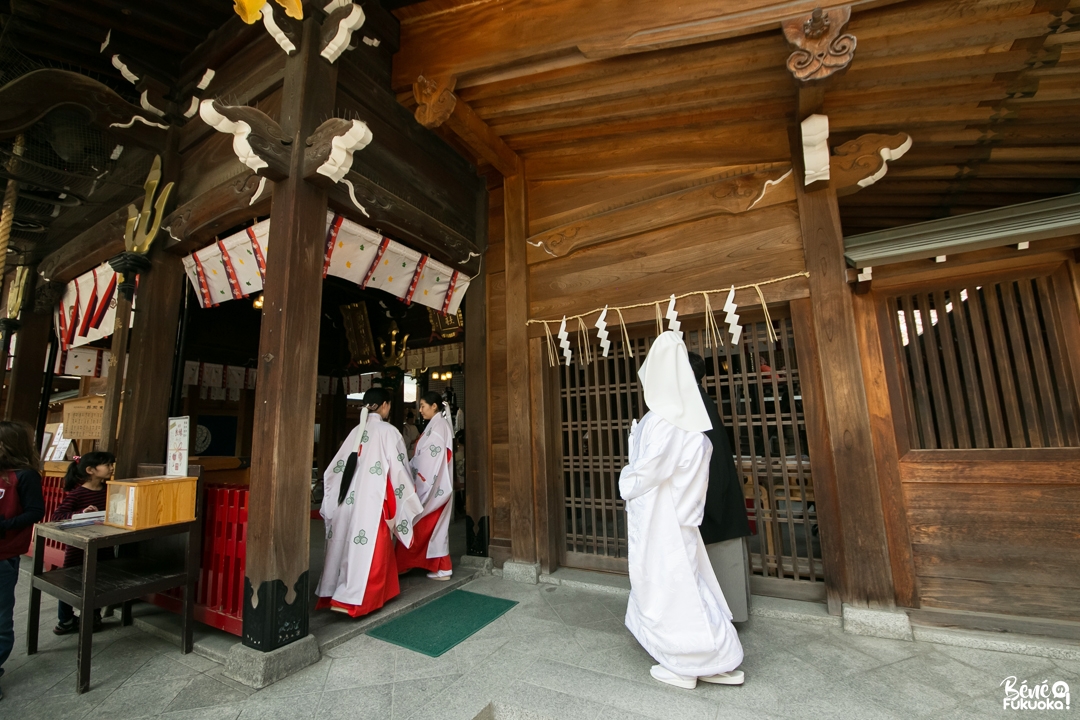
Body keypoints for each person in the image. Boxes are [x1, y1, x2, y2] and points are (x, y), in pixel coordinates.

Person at [619, 332, 744, 690]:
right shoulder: (691, 416)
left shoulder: (662, 421)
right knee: (690, 584)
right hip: (683, 518)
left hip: (661, 521)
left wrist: (627, 472)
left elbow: (644, 475)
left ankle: (685, 661)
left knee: (668, 590)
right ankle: (715, 657)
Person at [317, 388, 423, 617]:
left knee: (345, 545)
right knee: (372, 551)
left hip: (348, 499)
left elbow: (334, 470)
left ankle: (337, 592)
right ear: (384, 405)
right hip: (373, 503)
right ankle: (355, 599)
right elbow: (400, 470)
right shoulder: (389, 432)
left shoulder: (356, 431)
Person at [687, 352, 753, 623]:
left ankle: (723, 618)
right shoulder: (696, 400)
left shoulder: (694, 404)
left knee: (720, 558)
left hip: (711, 490)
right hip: (709, 489)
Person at [0, 421, 45, 702]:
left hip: (4, 553)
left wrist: (4, 526)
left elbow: (35, 511)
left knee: (1, 618)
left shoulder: (25, 476)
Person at [51, 451, 116, 635]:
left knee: (98, 581)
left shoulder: (110, 490)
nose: (111, 467)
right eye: (107, 464)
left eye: (112, 464)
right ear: (90, 470)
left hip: (102, 545)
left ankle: (94, 617)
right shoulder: (78, 494)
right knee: (71, 582)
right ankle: (65, 620)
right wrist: (80, 514)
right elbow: (58, 516)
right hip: (79, 548)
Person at [396, 392, 454, 580]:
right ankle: (439, 566)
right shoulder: (437, 425)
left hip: (433, 486)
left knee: (422, 525)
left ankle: (435, 566)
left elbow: (432, 458)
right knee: (432, 528)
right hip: (435, 484)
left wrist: (412, 470)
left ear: (434, 406)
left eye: (423, 406)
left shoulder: (439, 426)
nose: (420, 410)